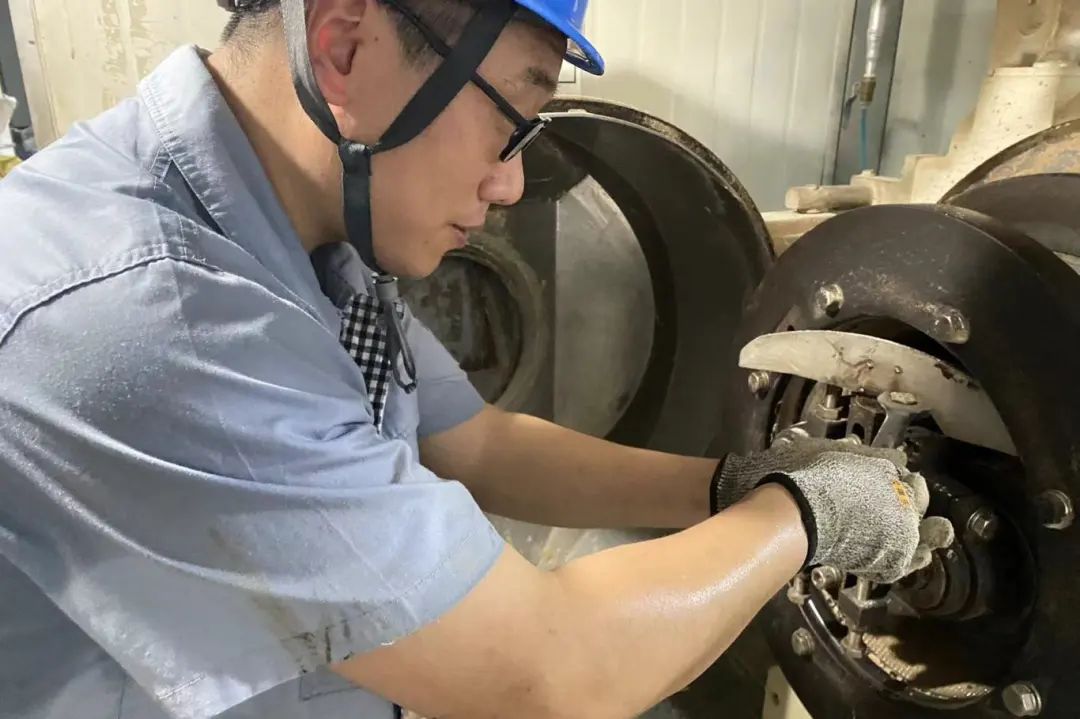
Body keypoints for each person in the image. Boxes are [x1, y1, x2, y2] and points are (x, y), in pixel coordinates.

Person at [0, 1, 934, 717]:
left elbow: (477, 441)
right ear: (343, 47)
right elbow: (554, 671)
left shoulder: (307, 243)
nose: (512, 182)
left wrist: (728, 486)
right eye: (512, 117)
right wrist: (806, 512)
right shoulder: (150, 312)